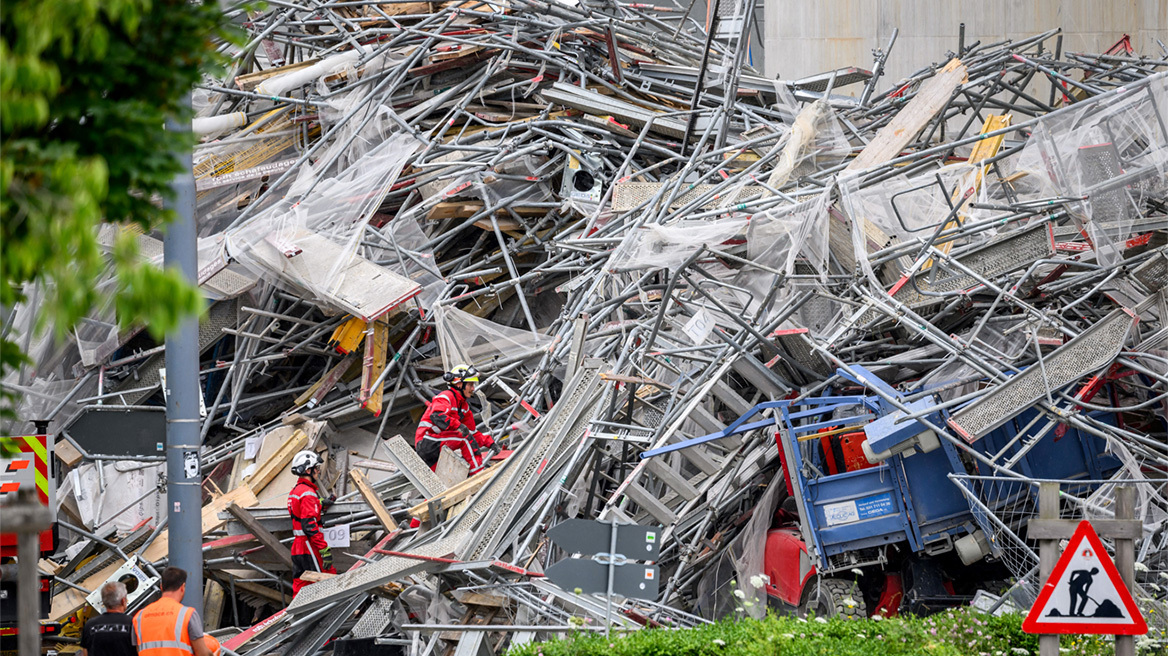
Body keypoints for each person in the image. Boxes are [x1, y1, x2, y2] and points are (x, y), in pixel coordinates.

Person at [415, 364, 498, 475]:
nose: (473, 389)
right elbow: (437, 416)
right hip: (426, 443)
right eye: (470, 385)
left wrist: (490, 443)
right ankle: (478, 475)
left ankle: (472, 483)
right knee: (464, 439)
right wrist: (459, 426)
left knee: (446, 481)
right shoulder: (445, 397)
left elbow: (472, 433)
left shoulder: (464, 407)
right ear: (459, 384)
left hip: (438, 447)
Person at [132, 567, 212, 656]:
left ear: (161, 587)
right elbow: (202, 653)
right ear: (182, 587)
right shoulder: (187, 614)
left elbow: (138, 650)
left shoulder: (139, 616)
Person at [288, 450, 336, 596]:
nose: (318, 471)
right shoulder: (308, 493)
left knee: (301, 583)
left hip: (298, 547)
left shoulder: (296, 491)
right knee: (326, 580)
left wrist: (321, 503)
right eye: (316, 468)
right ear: (308, 470)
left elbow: (301, 510)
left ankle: (297, 614)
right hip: (310, 546)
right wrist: (324, 550)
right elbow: (309, 525)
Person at [80, 581, 136, 656]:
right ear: (123, 601)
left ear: (103, 601)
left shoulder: (90, 624)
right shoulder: (133, 623)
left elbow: (85, 653)